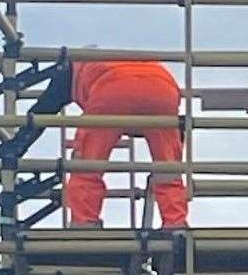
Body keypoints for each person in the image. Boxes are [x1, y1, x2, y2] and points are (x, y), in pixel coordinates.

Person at [65, 58, 189, 229]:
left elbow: (44, 107)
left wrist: (18, 145)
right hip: (162, 89)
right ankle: (175, 223)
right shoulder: (122, 59)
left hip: (111, 90)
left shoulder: (70, 69)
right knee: (168, 167)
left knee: (87, 163)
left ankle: (84, 223)